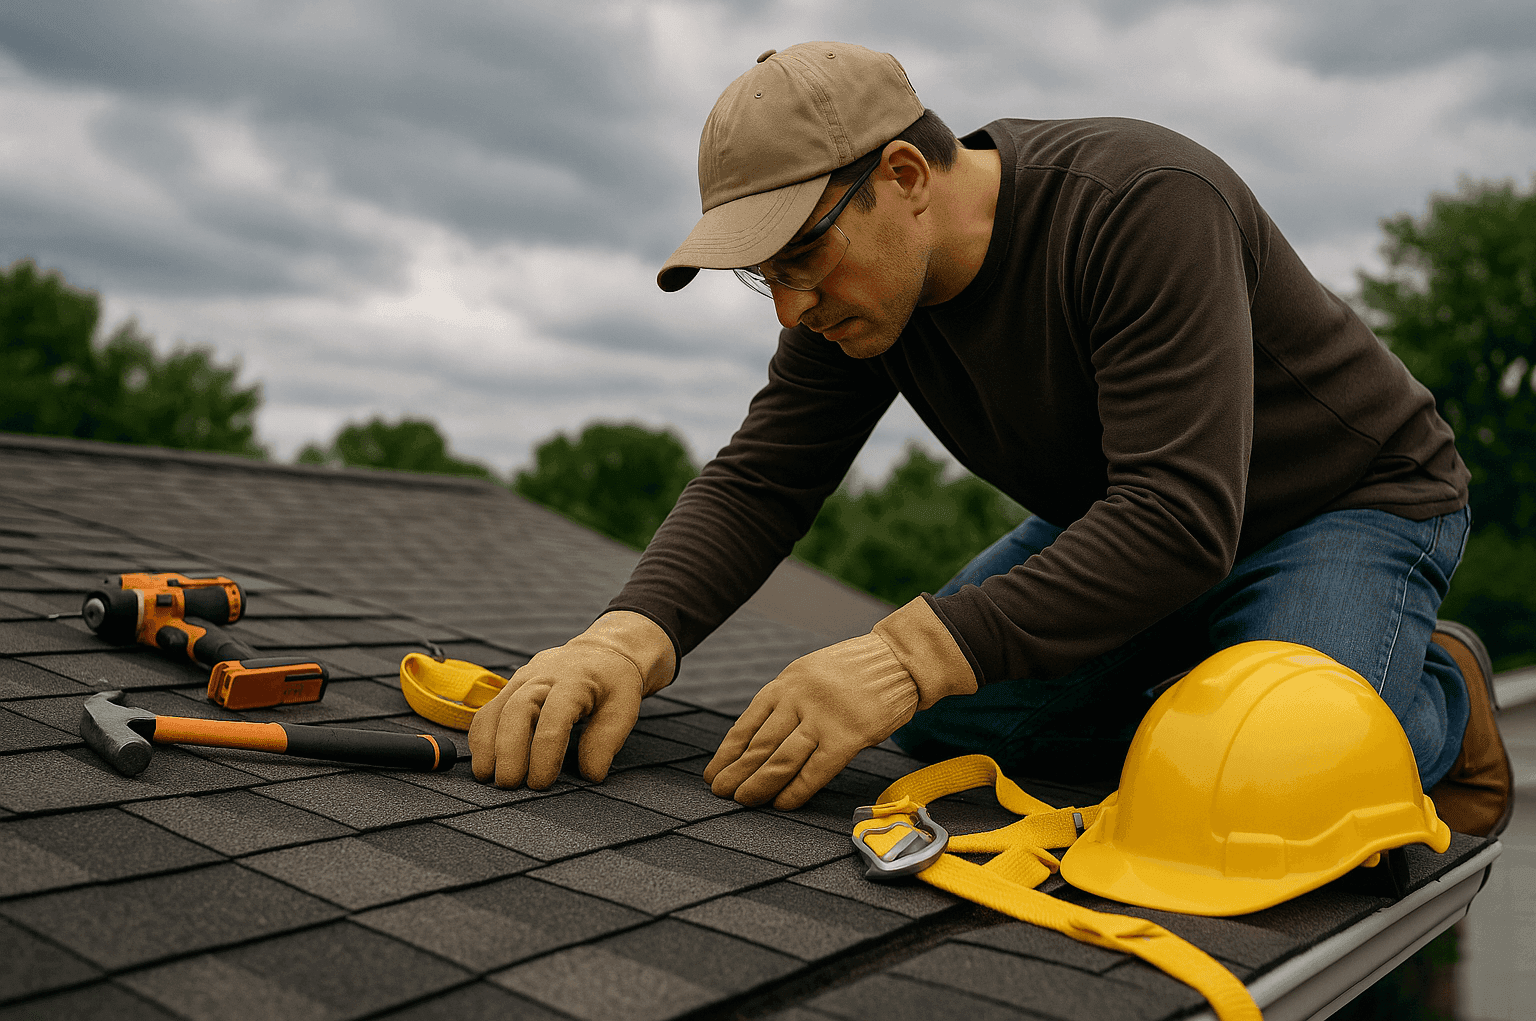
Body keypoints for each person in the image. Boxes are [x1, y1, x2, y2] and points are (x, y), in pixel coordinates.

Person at [469, 41, 1512, 837]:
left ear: (906, 178)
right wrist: (623, 638)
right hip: (1136, 525)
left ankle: (1439, 692)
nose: (789, 309)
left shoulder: (1143, 206)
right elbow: (761, 481)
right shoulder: (863, 296)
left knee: (1276, 786)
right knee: (952, 733)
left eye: (798, 258)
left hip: (1348, 502)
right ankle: (1215, 673)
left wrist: (903, 653)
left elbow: (1181, 518)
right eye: (764, 277)